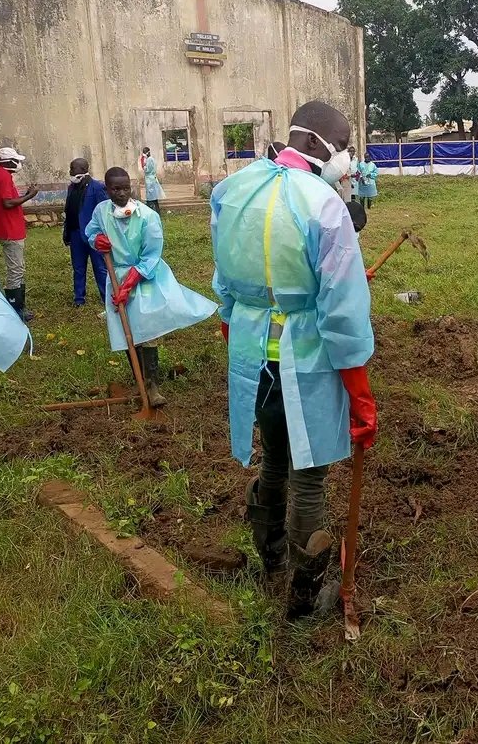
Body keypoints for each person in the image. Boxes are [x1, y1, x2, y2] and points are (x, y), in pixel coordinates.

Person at [210, 100, 376, 620]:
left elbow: (225, 287)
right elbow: (343, 312)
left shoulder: (231, 191)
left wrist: (236, 333)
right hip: (304, 358)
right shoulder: (322, 205)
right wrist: (361, 395)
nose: (347, 156)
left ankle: (271, 558)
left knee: (274, 459)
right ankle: (305, 598)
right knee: (310, 475)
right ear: (310, 142)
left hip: (250, 354)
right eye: (343, 143)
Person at [86, 167, 215, 405]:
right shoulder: (101, 212)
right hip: (116, 274)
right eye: (116, 189)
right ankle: (139, 379)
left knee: (148, 328)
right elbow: (92, 231)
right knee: (126, 329)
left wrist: (130, 284)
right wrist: (96, 239)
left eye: (126, 188)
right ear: (107, 190)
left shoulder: (146, 216)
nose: (122, 193)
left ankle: (153, 385)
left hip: (144, 277)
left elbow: (151, 255)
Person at [0, 146, 38, 320]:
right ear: (8, 161)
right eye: (16, 160)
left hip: (11, 228)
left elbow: (10, 201)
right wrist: (30, 196)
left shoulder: (2, 174)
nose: (18, 163)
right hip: (10, 230)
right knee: (15, 270)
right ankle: (15, 309)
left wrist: (25, 194)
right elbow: (8, 203)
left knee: (18, 268)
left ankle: (20, 307)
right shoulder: (3, 176)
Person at [63, 157, 108, 307]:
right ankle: (79, 299)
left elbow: (104, 212)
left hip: (94, 236)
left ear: (82, 170)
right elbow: (69, 211)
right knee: (78, 268)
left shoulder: (97, 188)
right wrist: (67, 232)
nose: (70, 171)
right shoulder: (71, 188)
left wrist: (103, 234)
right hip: (76, 234)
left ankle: (106, 298)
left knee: (100, 268)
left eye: (72, 168)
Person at [139, 146, 165, 213]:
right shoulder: (150, 159)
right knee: (153, 197)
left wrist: (144, 166)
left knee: (151, 197)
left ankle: (153, 211)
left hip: (150, 180)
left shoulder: (150, 159)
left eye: (144, 153)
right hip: (150, 179)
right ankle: (156, 211)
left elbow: (148, 170)